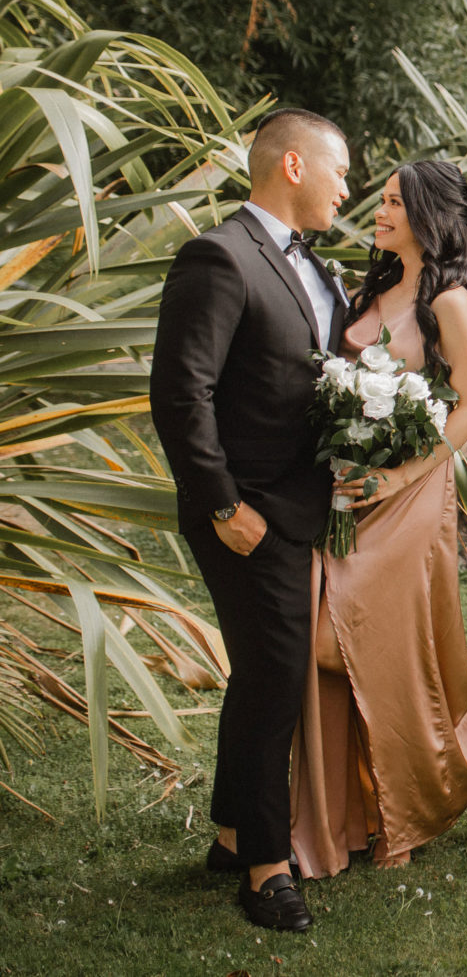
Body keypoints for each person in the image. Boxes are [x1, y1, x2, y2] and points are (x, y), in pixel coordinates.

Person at [150, 107, 352, 931]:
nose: (348, 186)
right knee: (275, 676)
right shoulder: (218, 255)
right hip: (246, 511)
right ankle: (268, 867)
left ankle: (235, 833)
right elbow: (179, 393)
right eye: (340, 170)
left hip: (299, 506)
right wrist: (223, 504)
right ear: (294, 166)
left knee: (264, 672)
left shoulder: (317, 268)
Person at [290, 160, 467, 877]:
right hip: (343, 491)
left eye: (392, 201)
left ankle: (404, 809)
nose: (378, 210)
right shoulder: (365, 288)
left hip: (409, 495)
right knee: (329, 645)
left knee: (380, 649)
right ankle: (346, 814)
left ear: (427, 212)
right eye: (377, 198)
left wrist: (401, 474)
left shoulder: (452, 302)